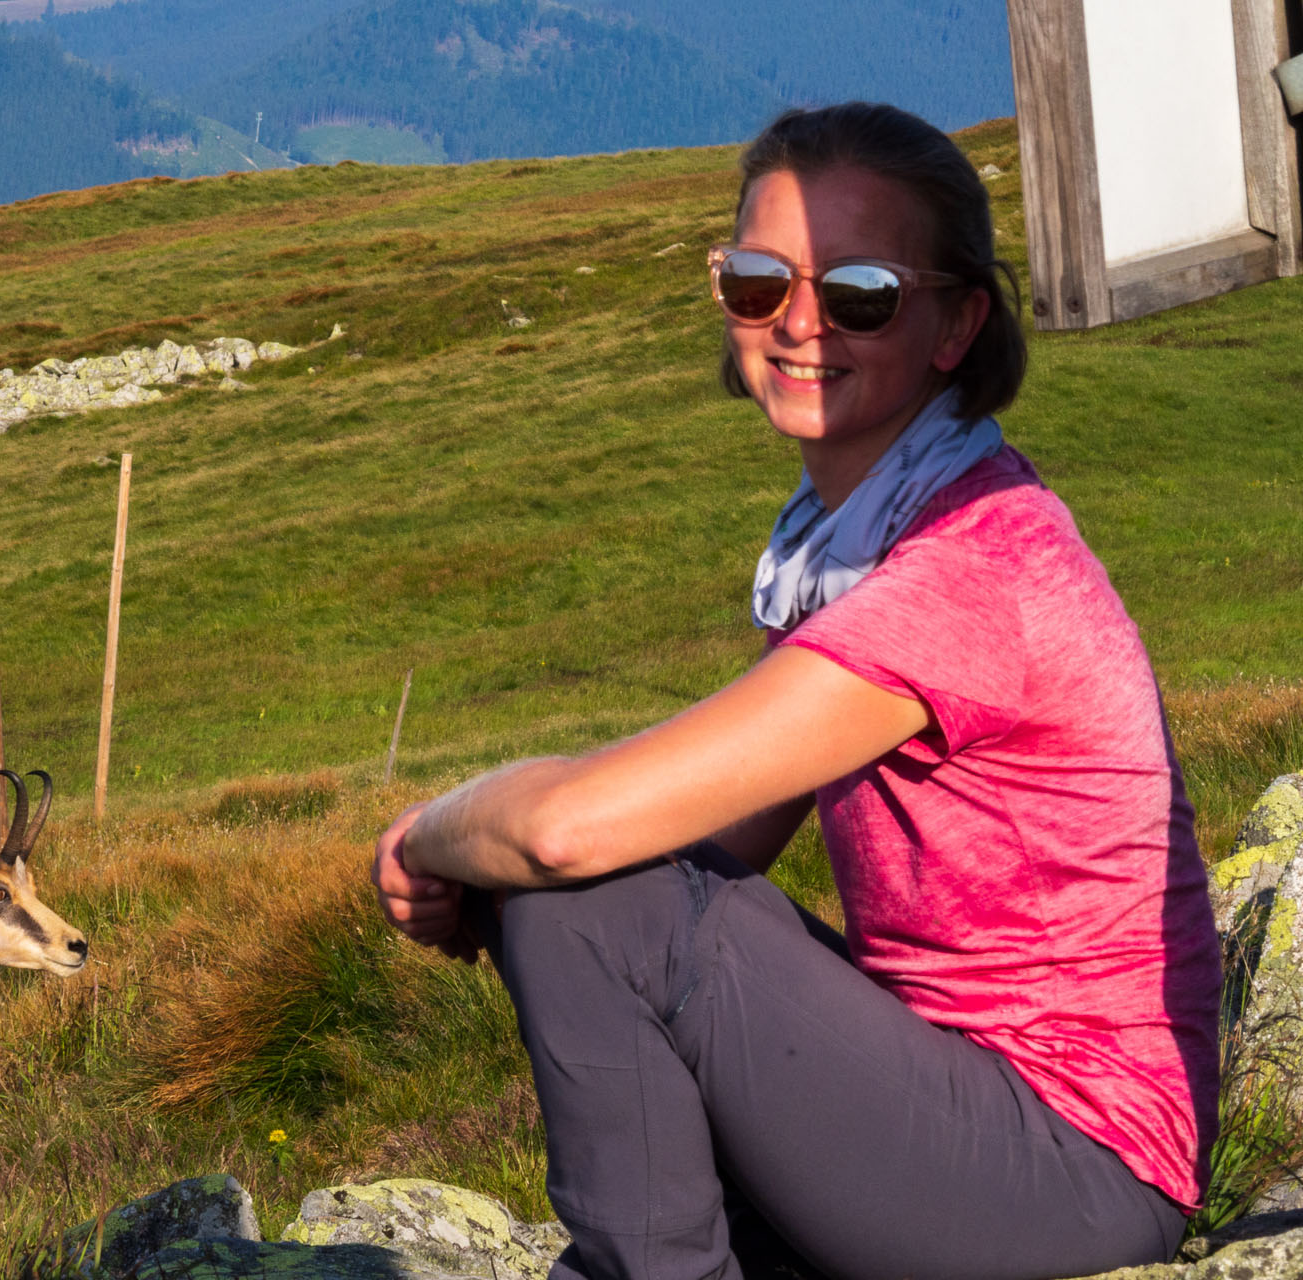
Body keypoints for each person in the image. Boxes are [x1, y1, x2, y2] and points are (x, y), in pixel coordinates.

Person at [370, 103, 1221, 1280]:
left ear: (956, 321)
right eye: (762, 282)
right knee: (594, 886)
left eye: (862, 290)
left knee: (584, 892)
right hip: (953, 1103)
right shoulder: (848, 540)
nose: (801, 323)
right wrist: (494, 871)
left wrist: (439, 835)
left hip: (1073, 1163)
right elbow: (719, 836)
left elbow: (573, 837)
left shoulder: (971, 565)